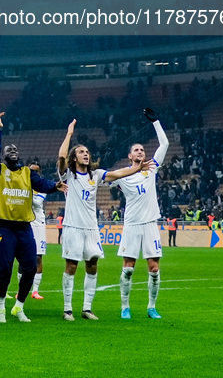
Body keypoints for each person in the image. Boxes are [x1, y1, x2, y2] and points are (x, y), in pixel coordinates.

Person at [58, 118, 153, 322]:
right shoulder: (69, 175)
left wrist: (137, 168)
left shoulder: (96, 174)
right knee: (72, 266)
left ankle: (86, 308)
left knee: (92, 265)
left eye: (87, 152)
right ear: (74, 158)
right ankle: (67, 309)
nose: (86, 154)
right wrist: (69, 134)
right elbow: (61, 156)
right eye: (81, 152)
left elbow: (118, 173)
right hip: (73, 227)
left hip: (91, 228)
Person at [0, 112, 66, 324]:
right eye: (8, 150)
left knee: (30, 268)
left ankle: (19, 307)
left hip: (24, 228)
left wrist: (55, 186)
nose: (13, 152)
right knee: (4, 268)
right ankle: (0, 308)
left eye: (15, 150)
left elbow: (42, 184)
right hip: (3, 227)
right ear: (4, 156)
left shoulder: (26, 173)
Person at [110, 107, 169, 319]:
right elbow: (104, 178)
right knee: (129, 268)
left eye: (142, 150)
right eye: (136, 150)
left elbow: (164, 145)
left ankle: (151, 307)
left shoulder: (151, 168)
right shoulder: (123, 176)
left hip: (150, 224)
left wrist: (156, 122)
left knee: (154, 268)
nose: (141, 152)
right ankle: (125, 307)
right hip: (132, 225)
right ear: (129, 155)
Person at [28, 160, 47, 300]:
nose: (33, 173)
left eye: (36, 171)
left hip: (39, 224)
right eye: (31, 170)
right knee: (23, 258)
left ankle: (35, 290)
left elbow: (37, 202)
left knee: (38, 258)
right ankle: (21, 289)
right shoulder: (22, 184)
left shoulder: (42, 187)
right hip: (25, 224)